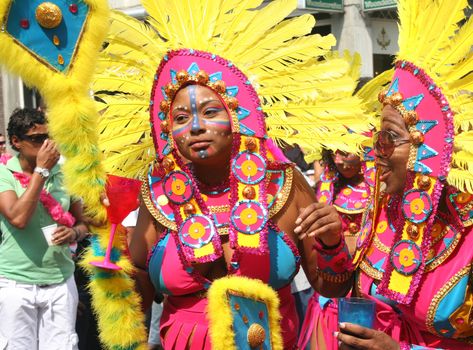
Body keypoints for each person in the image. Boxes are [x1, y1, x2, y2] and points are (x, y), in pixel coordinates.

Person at [88, 1, 372, 348]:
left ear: (238, 116)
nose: (194, 128)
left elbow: (331, 286)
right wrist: (109, 250)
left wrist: (330, 241)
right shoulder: (159, 193)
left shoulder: (282, 184)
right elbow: (138, 291)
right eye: (179, 119)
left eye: (209, 112)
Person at [327, 0, 473, 348]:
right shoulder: (383, 211)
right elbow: (343, 286)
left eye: (388, 138)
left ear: (432, 149)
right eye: (376, 138)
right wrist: (331, 243)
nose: (374, 153)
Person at [0, 108, 89, 350]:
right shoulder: (3, 173)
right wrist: (41, 171)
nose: (46, 145)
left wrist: (73, 234)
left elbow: (83, 222)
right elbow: (18, 218)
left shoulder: (64, 174)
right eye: (37, 139)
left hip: (60, 281)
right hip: (16, 284)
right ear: (16, 142)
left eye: (48, 138)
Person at [298, 148, 374, 349]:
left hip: (365, 297)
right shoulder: (328, 183)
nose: (339, 160)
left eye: (346, 152)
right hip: (330, 291)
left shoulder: (382, 187)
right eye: (333, 154)